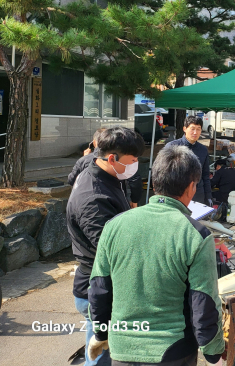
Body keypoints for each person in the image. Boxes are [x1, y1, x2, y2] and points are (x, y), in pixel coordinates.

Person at [87, 145, 224, 366]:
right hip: (172, 351)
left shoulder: (114, 226)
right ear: (191, 187)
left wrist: (100, 334)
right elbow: (205, 301)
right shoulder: (195, 234)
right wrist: (213, 349)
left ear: (154, 182)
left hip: (122, 350)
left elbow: (99, 289)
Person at [66, 127, 145, 366]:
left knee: (105, 351)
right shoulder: (93, 199)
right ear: (112, 158)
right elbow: (111, 252)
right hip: (97, 288)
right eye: (133, 161)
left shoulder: (106, 173)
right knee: (101, 356)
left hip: (103, 285)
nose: (136, 165)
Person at [69, 128, 143, 207]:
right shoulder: (95, 200)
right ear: (111, 159)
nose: (135, 163)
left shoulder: (85, 160)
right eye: (133, 160)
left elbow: (71, 180)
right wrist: (135, 201)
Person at [165, 115, 211, 205]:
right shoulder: (172, 146)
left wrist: (208, 196)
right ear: (184, 129)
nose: (195, 132)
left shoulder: (203, 150)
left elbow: (205, 175)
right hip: (177, 194)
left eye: (198, 129)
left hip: (198, 195)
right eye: (192, 128)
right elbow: (164, 173)